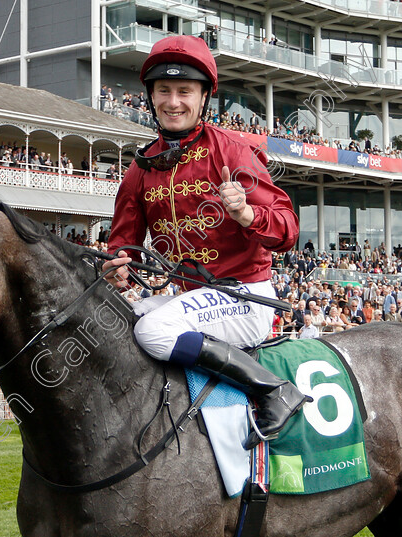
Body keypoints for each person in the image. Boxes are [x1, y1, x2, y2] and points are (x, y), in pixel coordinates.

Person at [102, 35, 308, 449]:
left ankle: (272, 390)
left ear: (203, 98)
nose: (173, 102)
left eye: (184, 91)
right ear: (151, 97)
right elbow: (121, 242)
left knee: (153, 331)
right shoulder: (140, 167)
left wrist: (247, 214)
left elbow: (288, 230)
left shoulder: (232, 151)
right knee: (119, 325)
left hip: (246, 296)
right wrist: (116, 265)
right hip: (193, 299)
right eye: (164, 91)